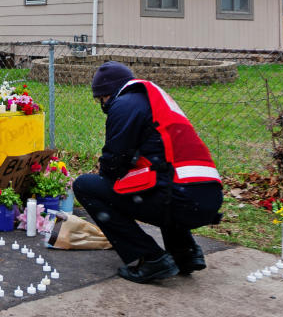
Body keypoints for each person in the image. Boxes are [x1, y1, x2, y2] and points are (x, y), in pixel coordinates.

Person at [72, 61, 223, 284]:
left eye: (101, 99)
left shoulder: (124, 104)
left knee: (85, 186)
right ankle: (185, 254)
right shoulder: (153, 99)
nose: (102, 104)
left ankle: (151, 258)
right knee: (161, 180)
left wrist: (105, 175)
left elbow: (114, 161)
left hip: (180, 198)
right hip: (206, 196)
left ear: (108, 93)